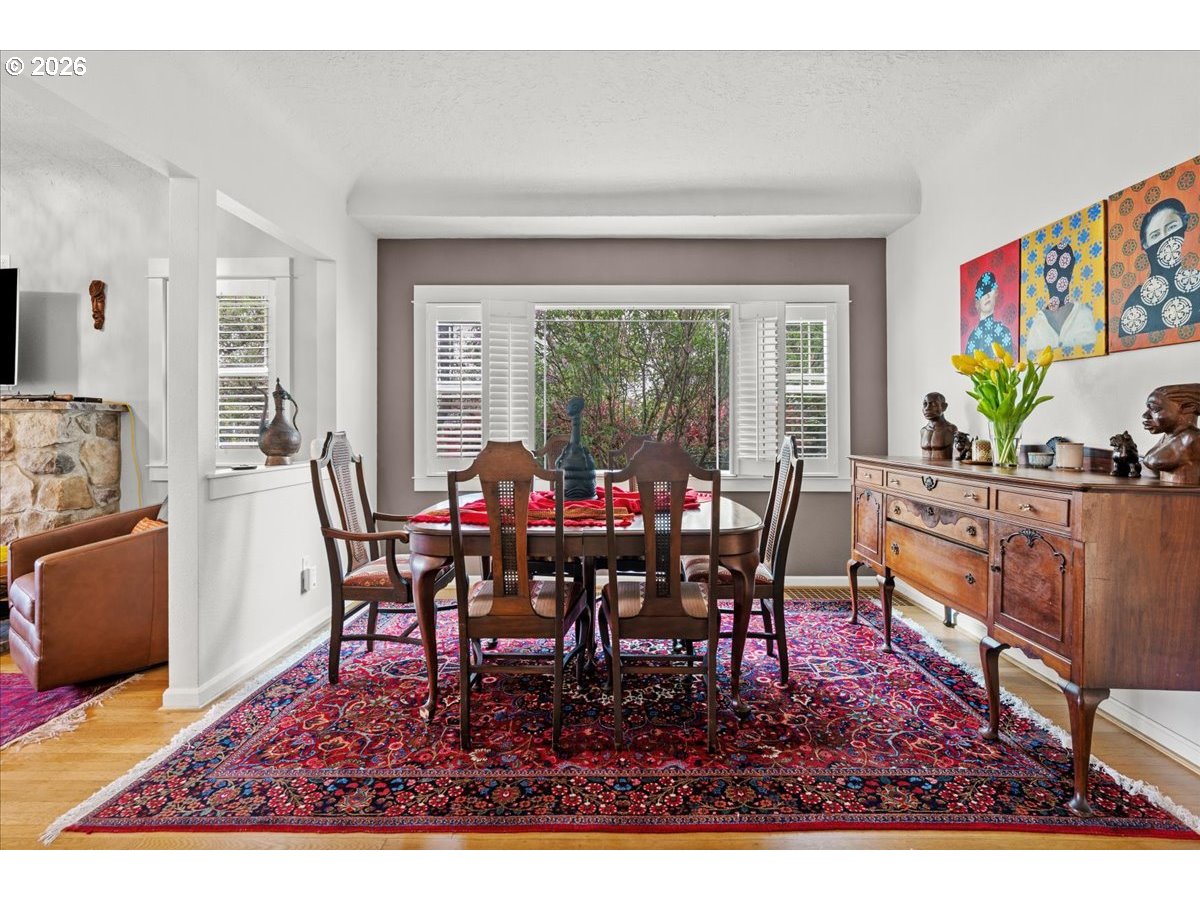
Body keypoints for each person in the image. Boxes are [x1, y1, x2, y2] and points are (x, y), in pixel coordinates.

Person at [1118, 198, 1200, 338]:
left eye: (1172, 227)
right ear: (1145, 245)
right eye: (1155, 235)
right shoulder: (1136, 301)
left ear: (1184, 225)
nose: (1165, 237)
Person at [1024, 239, 1101, 357]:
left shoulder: (1083, 314)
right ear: (1045, 274)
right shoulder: (1038, 322)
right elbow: (1030, 355)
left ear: (1070, 272)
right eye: (1050, 271)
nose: (1056, 276)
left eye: (1063, 269)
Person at [1142, 383, 1200, 485]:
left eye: (1154, 408)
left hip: (1183, 493)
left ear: (1188, 408)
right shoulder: (1167, 437)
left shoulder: (1193, 439)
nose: (1145, 415)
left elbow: (1152, 460)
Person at [964, 270, 1014, 357]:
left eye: (990, 290)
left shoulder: (1004, 332)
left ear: (995, 293)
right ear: (977, 301)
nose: (987, 296)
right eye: (982, 293)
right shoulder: (973, 338)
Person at [919, 392, 957, 460]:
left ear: (944, 407)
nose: (927, 408)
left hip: (944, 467)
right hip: (924, 466)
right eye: (925, 404)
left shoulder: (951, 429)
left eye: (933, 404)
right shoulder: (923, 431)